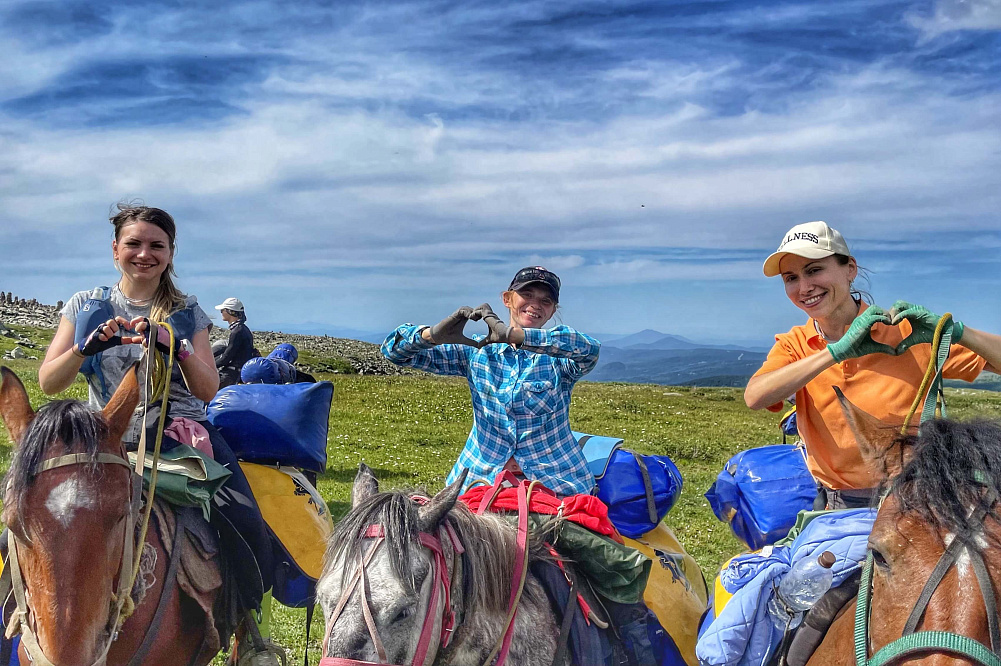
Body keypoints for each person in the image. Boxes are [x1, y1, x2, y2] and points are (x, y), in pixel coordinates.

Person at [37, 203, 283, 665]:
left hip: (178, 434)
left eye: (156, 245)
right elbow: (49, 381)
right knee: (35, 518)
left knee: (246, 522)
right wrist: (85, 347)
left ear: (171, 253)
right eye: (134, 244)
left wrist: (176, 346)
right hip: (101, 439)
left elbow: (209, 389)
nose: (144, 254)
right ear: (115, 250)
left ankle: (249, 633)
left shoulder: (186, 311)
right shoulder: (87, 305)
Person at [744, 221, 1001, 509]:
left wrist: (956, 331)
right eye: (790, 278)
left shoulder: (905, 333)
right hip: (841, 505)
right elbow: (756, 396)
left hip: (919, 499)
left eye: (814, 270)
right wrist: (836, 352)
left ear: (850, 269)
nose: (804, 287)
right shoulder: (795, 344)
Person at [381, 266, 600, 496]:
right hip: (480, 480)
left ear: (553, 310)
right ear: (507, 299)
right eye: (527, 295)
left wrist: (515, 335)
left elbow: (589, 349)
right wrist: (431, 335)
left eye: (546, 301)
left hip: (555, 482)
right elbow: (394, 352)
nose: (535, 304)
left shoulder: (559, 359)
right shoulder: (476, 352)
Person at [214, 297, 255, 388]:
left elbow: (227, 356)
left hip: (232, 374)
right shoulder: (242, 329)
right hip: (238, 372)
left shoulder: (237, 332)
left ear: (230, 312)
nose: (221, 312)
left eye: (222, 310)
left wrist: (210, 366)